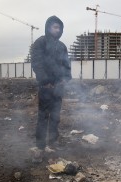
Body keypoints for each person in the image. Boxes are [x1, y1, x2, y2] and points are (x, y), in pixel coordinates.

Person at [30, 16, 71, 162]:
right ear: (48, 27)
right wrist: (44, 80)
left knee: (55, 117)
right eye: (55, 27)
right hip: (46, 87)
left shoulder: (62, 46)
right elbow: (36, 62)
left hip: (58, 87)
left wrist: (66, 79)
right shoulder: (40, 42)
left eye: (59, 27)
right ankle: (40, 148)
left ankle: (53, 145)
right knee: (43, 117)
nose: (57, 30)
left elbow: (67, 64)